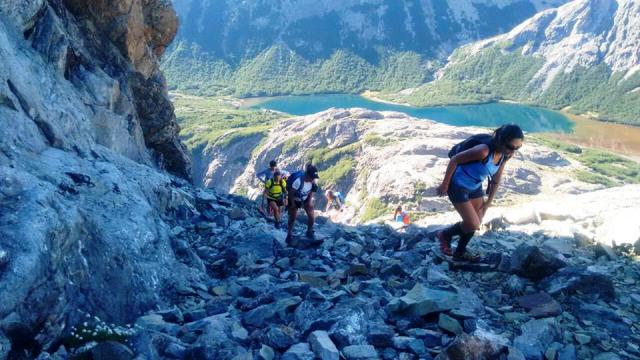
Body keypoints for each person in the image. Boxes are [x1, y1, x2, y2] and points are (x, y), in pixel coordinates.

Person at [436, 124, 524, 261]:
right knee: (473, 224)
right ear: (501, 140)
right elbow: (455, 160)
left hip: (475, 186)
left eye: (517, 148)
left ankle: (459, 253)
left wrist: (489, 200)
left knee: (478, 218)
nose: (512, 151)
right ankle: (445, 235)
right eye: (510, 147)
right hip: (457, 185)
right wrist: (445, 184)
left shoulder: (505, 155)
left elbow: (496, 178)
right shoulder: (483, 150)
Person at [286, 164, 320, 245]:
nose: (313, 179)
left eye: (314, 177)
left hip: (305, 199)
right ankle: (289, 234)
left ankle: (309, 231)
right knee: (292, 217)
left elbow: (311, 191)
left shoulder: (313, 181)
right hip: (295, 198)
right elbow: (291, 193)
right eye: (312, 177)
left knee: (312, 216)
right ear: (307, 175)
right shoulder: (298, 181)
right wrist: (293, 204)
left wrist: (309, 202)